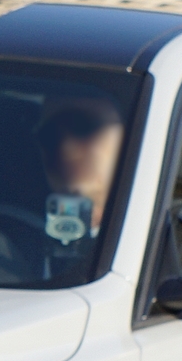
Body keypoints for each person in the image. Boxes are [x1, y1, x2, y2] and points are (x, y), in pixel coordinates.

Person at [35, 93, 125, 256]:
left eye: (83, 127)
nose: (67, 149)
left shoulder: (163, 237)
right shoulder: (2, 239)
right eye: (50, 136)